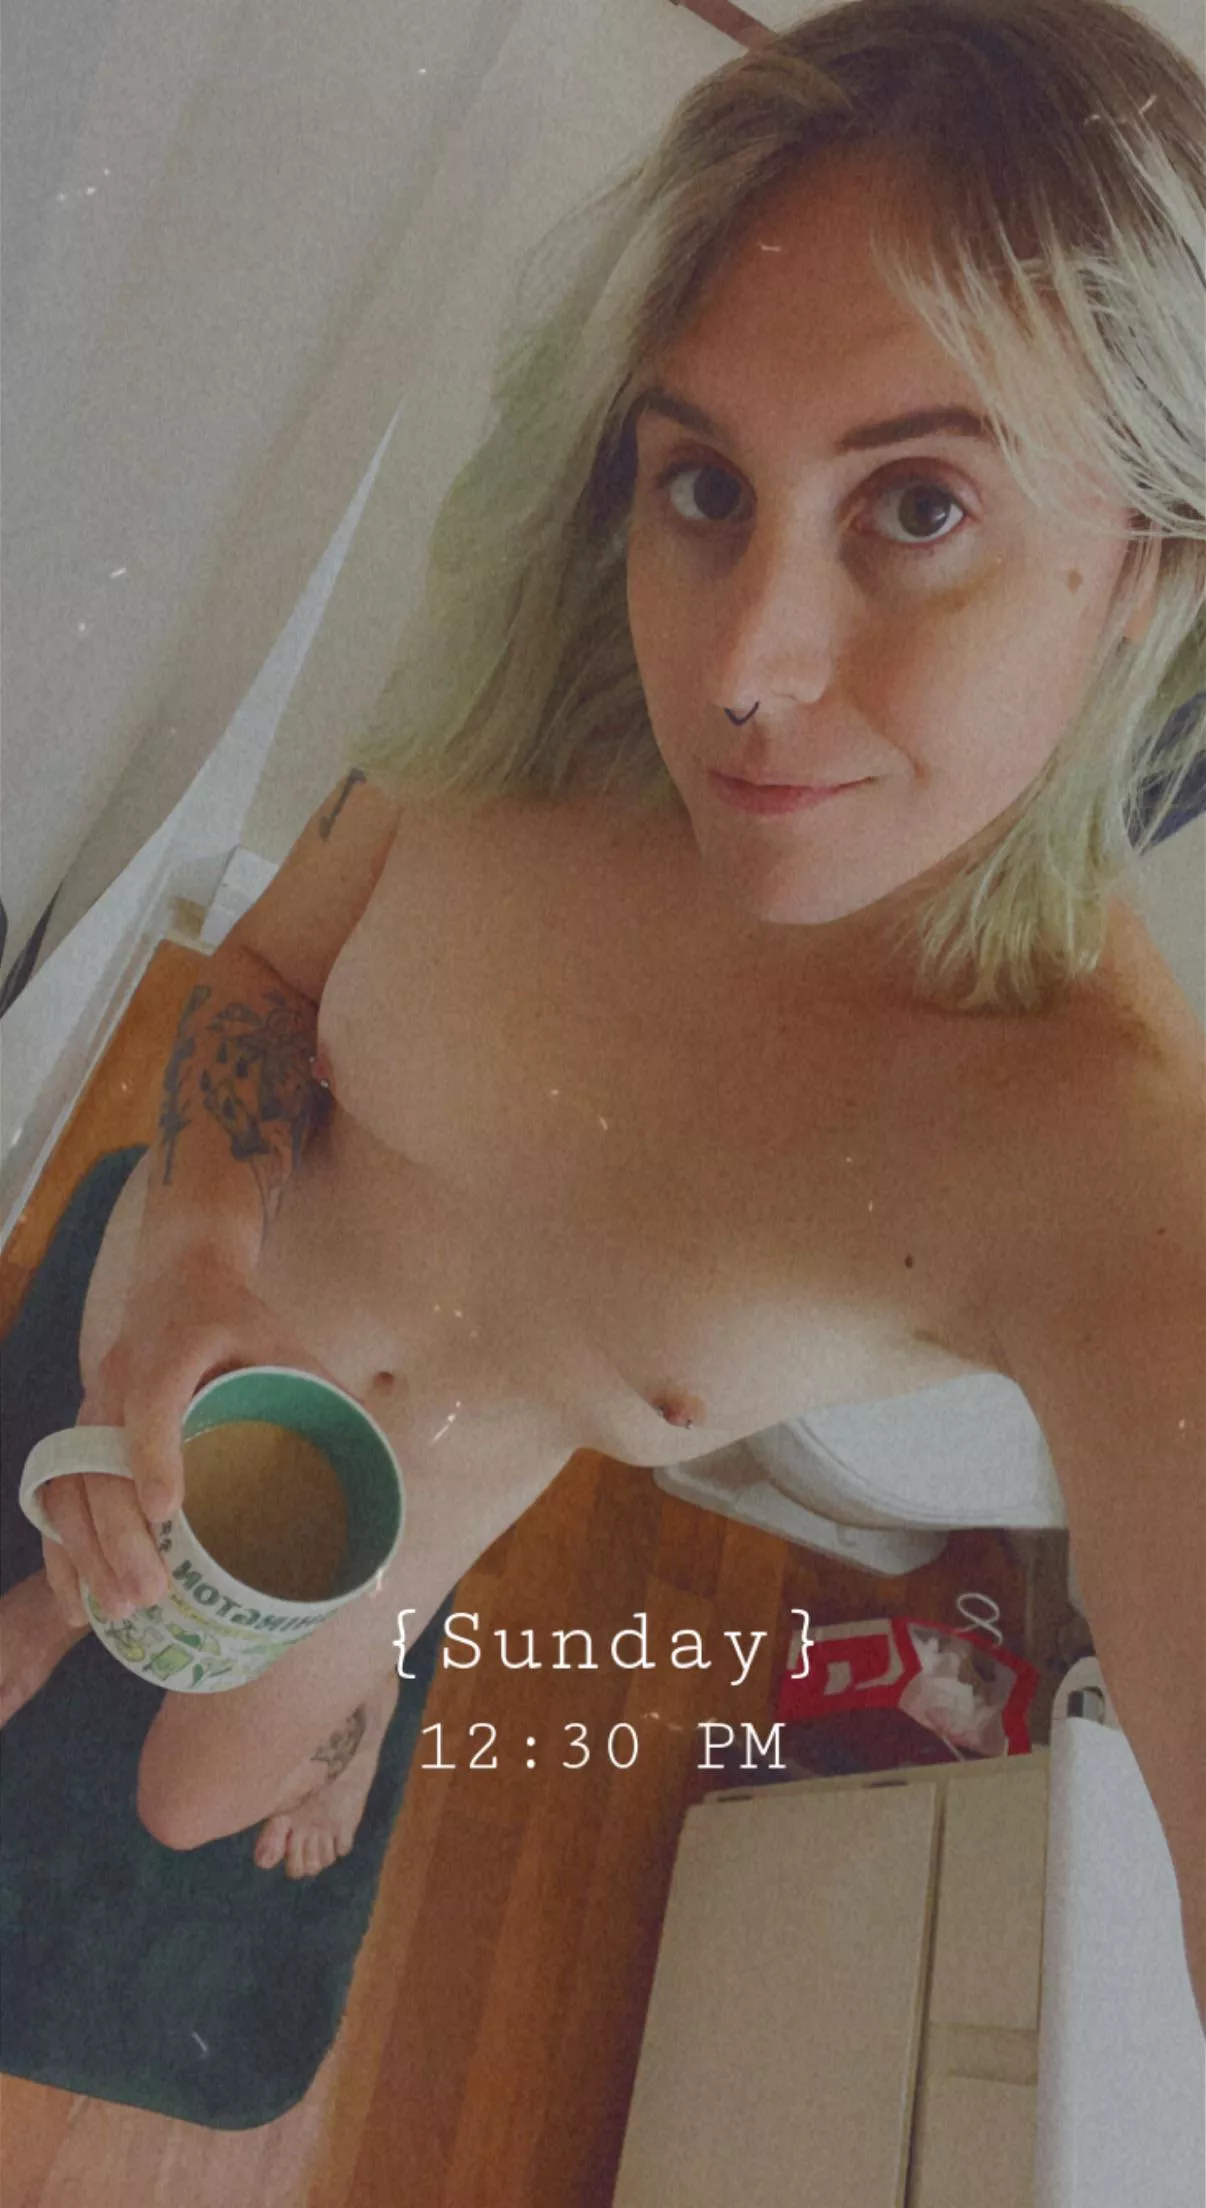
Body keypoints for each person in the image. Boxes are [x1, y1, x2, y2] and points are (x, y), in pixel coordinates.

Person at [1, 0, 1203, 2011]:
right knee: (81, 1556)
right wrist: (197, 1240)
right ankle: (60, 1597)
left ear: (1148, 565)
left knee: (195, 1805)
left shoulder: (1091, 1158)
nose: (740, 669)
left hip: (396, 1531)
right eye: (702, 484)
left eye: (919, 504)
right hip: (190, 1314)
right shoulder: (533, 718)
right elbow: (269, 971)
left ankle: (362, 1705)